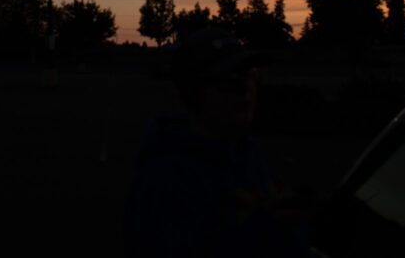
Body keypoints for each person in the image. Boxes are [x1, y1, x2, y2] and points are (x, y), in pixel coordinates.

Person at [123, 28, 310, 257]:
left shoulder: (245, 151)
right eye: (228, 80)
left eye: (251, 74)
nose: (244, 89)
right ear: (191, 94)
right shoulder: (165, 181)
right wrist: (265, 233)